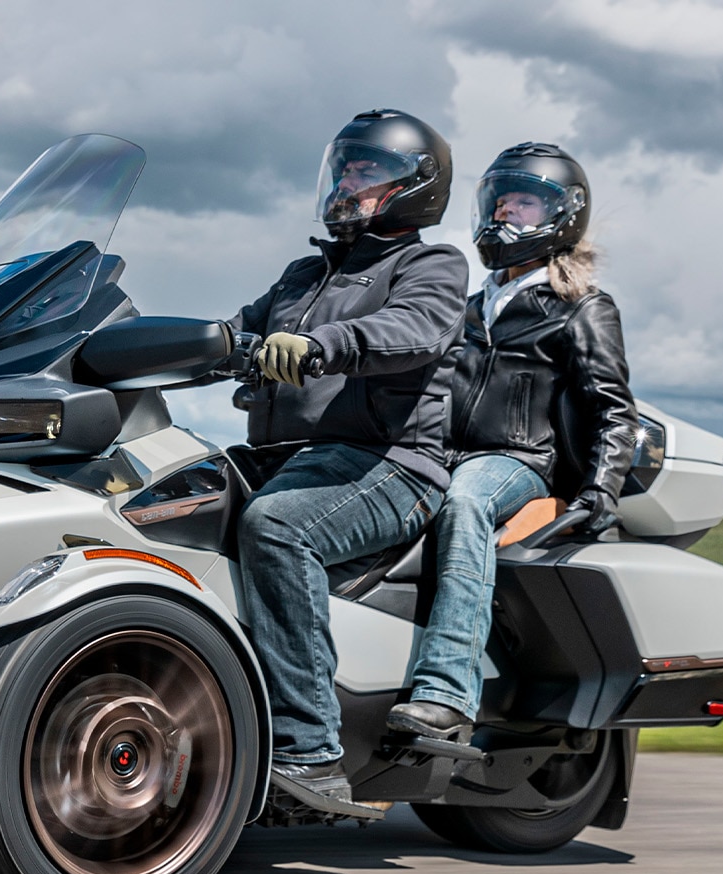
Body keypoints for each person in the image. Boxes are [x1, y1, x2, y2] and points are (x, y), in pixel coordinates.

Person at [228, 109, 469, 813]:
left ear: (415, 185)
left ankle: (310, 753)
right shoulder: (303, 274)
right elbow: (234, 332)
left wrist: (321, 345)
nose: (346, 183)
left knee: (278, 528)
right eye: (344, 169)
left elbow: (412, 330)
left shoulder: (431, 265)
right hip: (289, 458)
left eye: (366, 171)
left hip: (390, 465)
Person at [387, 142, 640, 742]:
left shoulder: (582, 308)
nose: (506, 213)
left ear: (562, 215)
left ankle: (448, 692)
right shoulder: (471, 306)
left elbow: (614, 409)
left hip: (518, 461)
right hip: (441, 452)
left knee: (465, 500)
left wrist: (600, 494)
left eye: (524, 203)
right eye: (500, 201)